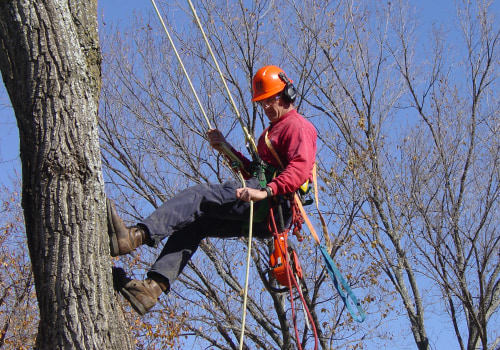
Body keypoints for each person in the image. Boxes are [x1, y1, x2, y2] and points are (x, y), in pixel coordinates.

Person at [110, 65, 317, 315]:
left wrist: (266, 192)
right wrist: (226, 148)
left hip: (273, 205)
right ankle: (152, 288)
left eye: (269, 101)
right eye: (261, 103)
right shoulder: (270, 132)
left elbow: (300, 169)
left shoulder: (297, 126)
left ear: (287, 93)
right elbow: (258, 173)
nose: (265, 108)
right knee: (197, 223)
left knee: (200, 196)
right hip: (266, 205)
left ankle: (134, 236)